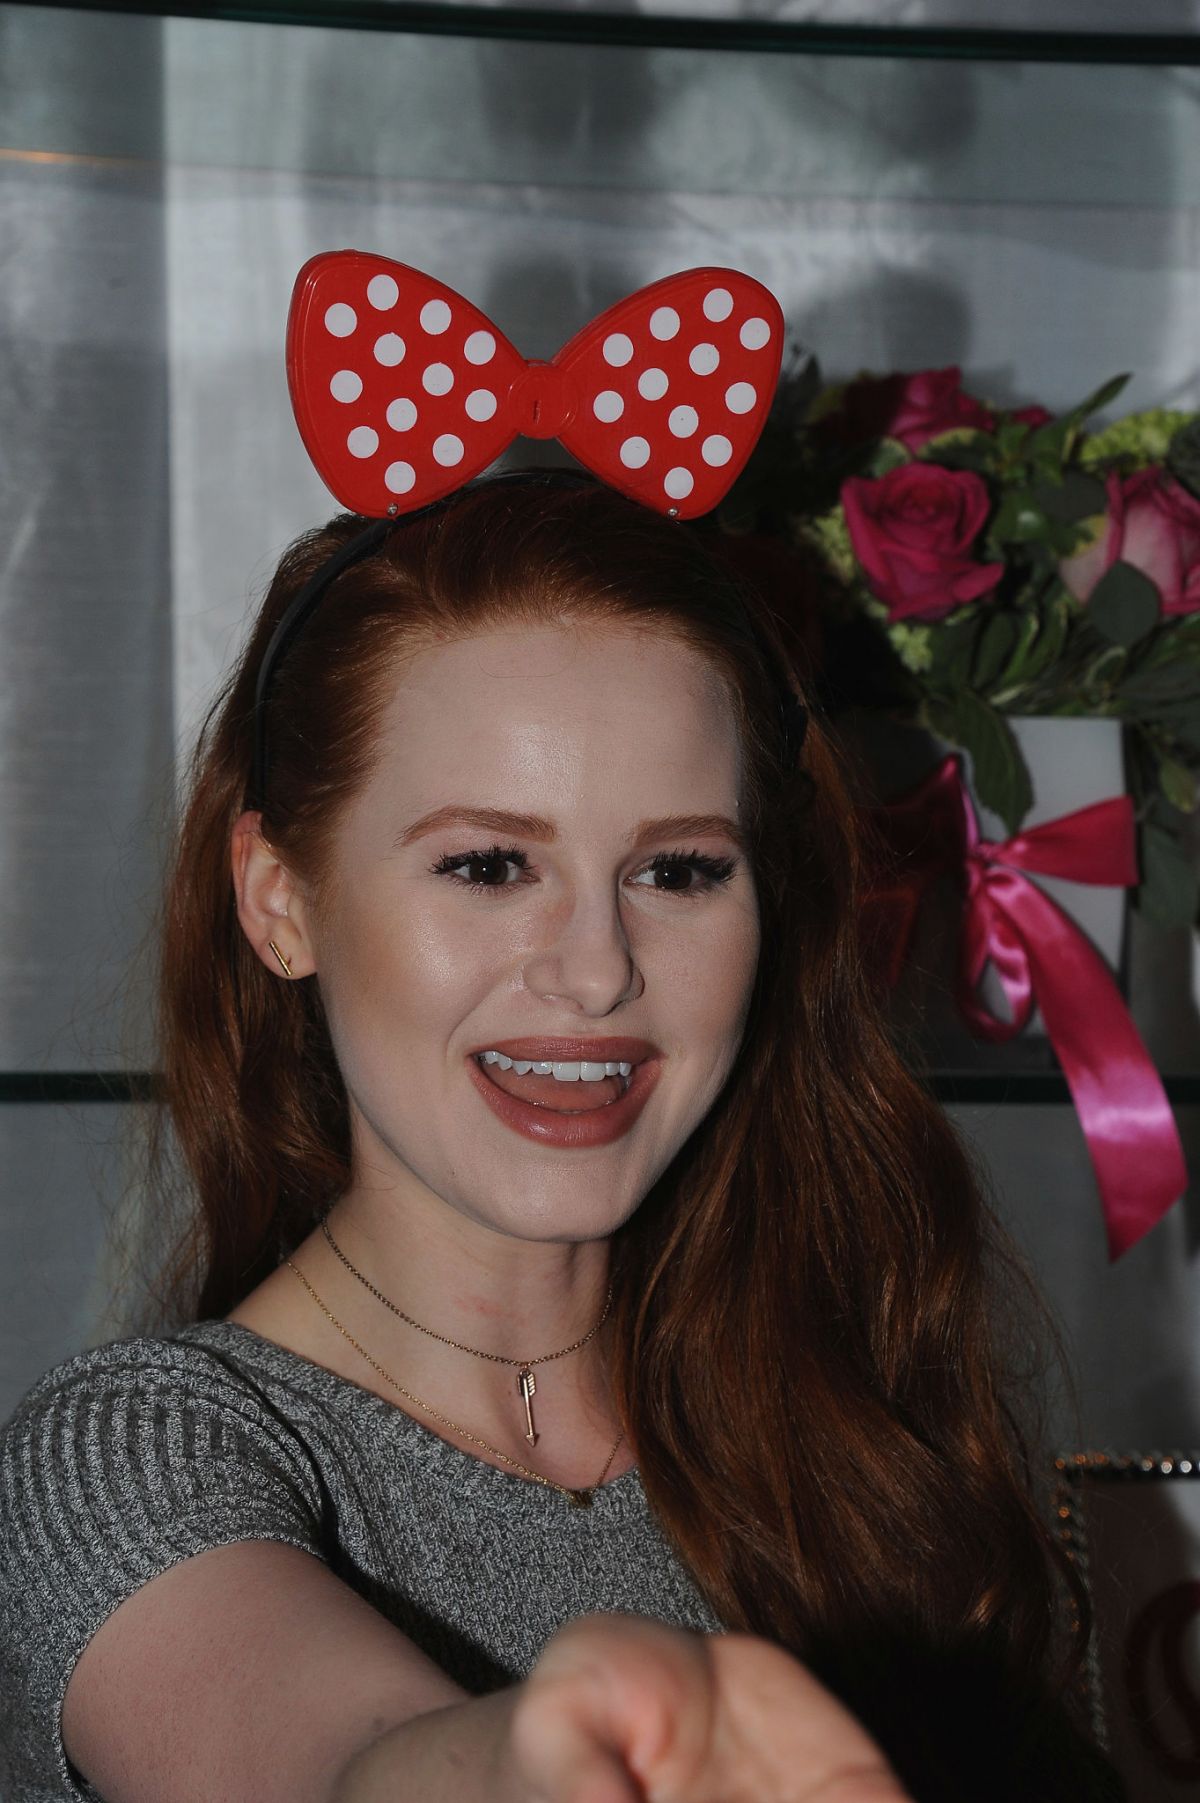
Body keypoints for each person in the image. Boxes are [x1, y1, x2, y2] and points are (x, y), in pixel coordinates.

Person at [0, 268, 1120, 1803]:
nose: (596, 972)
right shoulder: (130, 1457)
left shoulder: (858, 1414)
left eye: (679, 871)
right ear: (280, 900)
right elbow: (348, 1764)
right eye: (487, 865)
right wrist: (540, 1758)